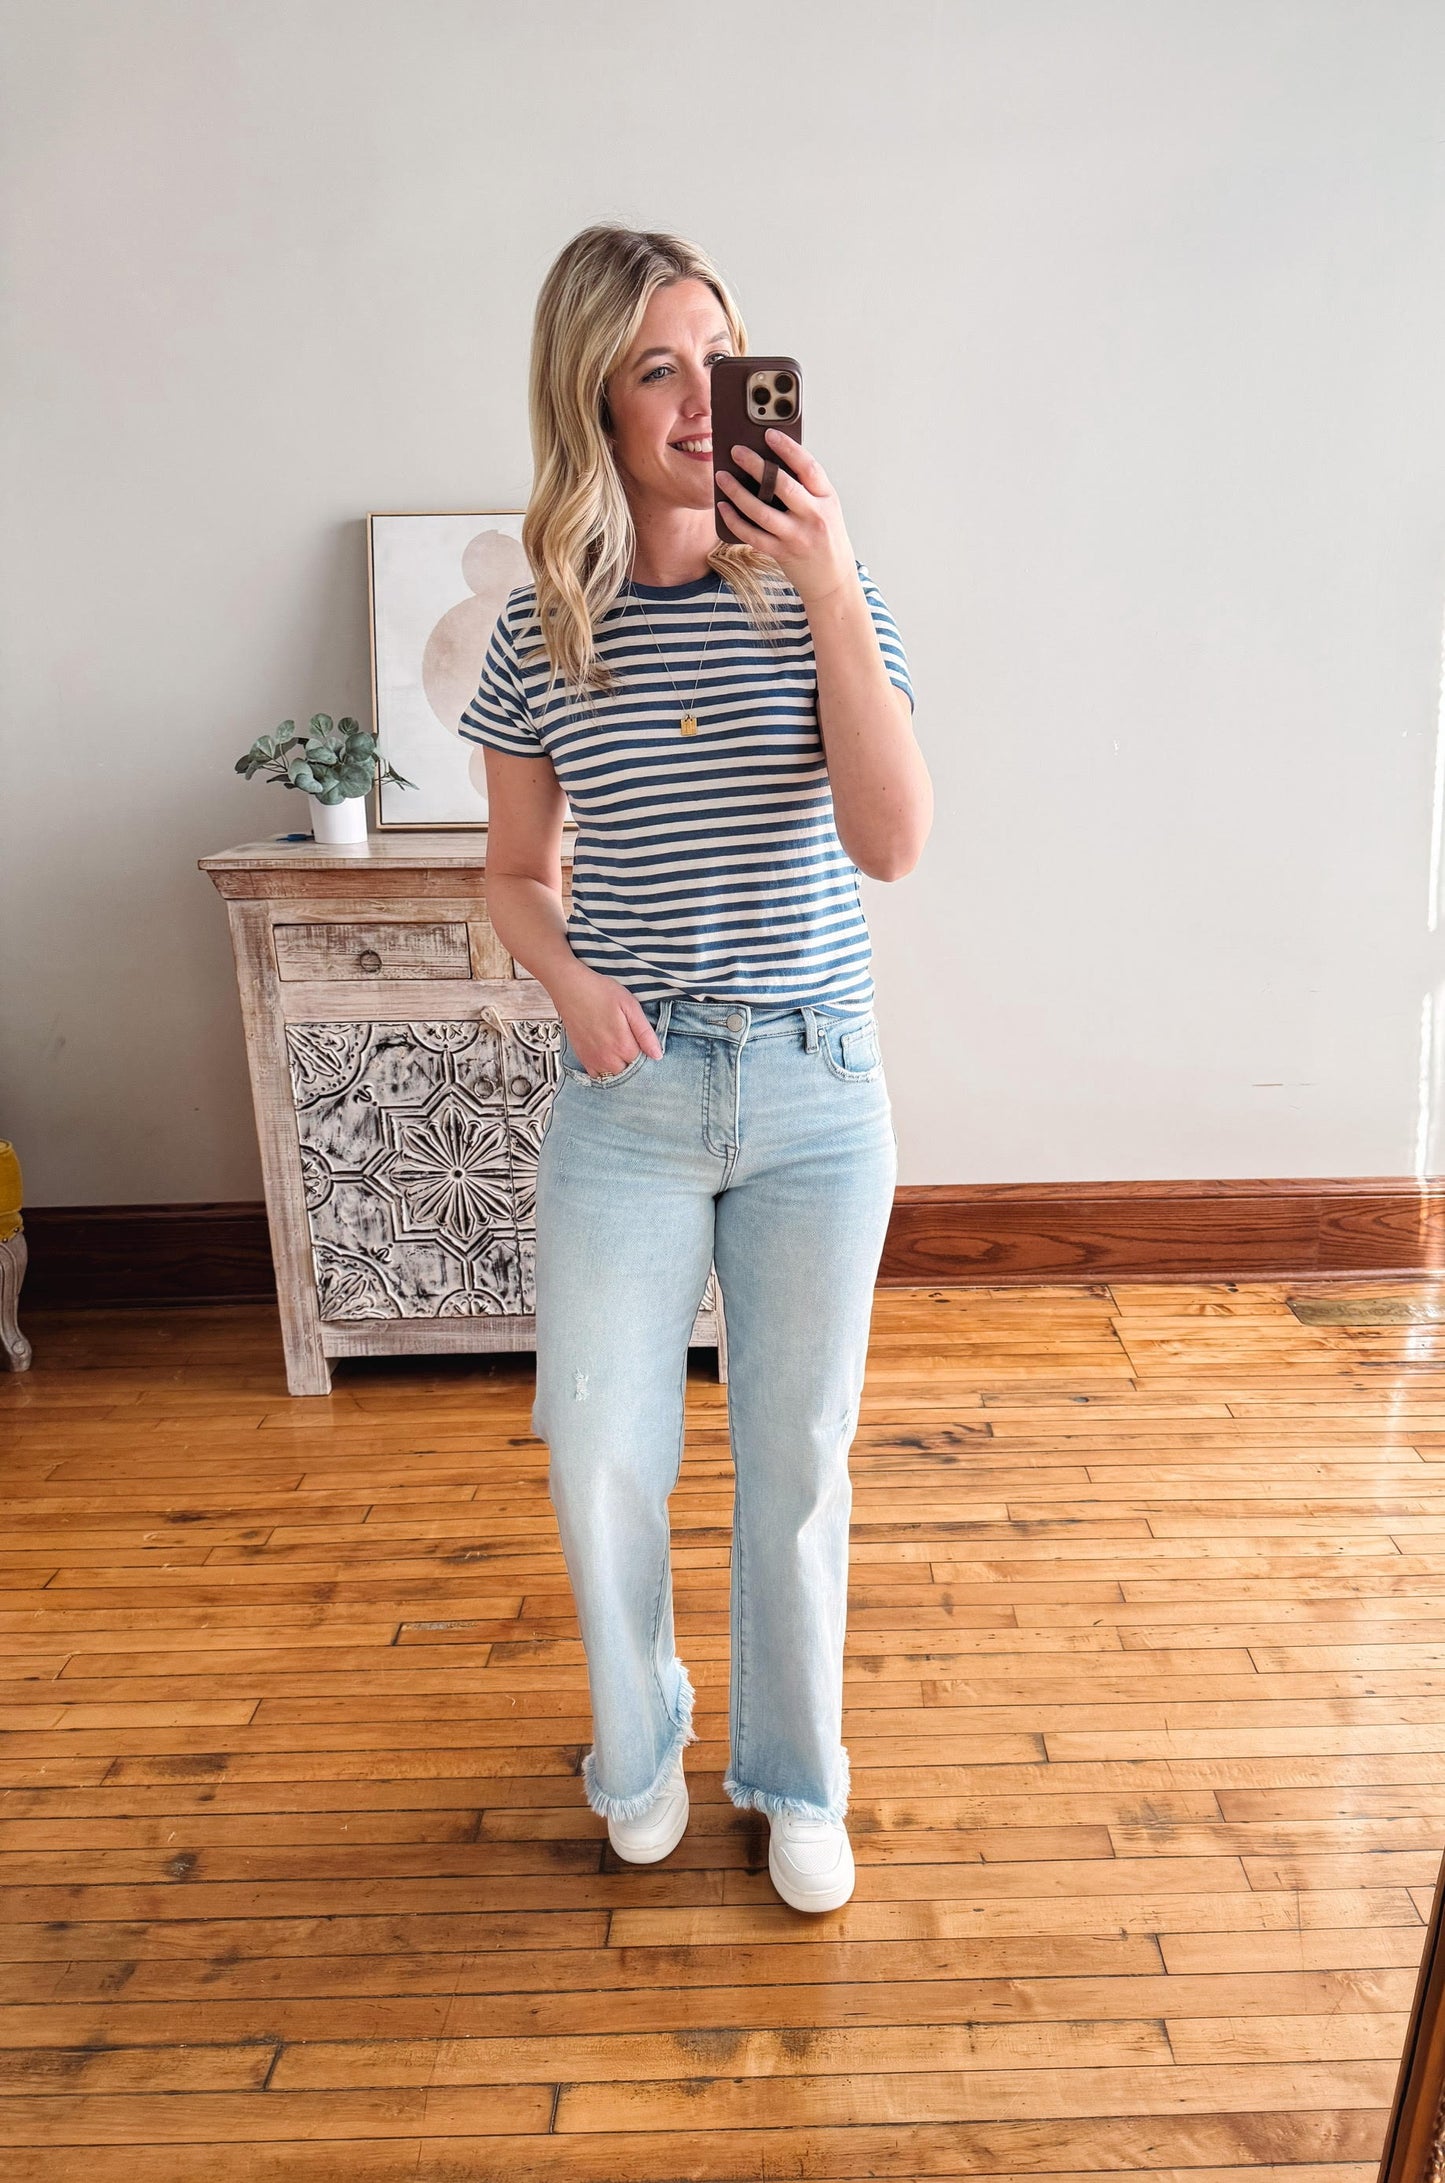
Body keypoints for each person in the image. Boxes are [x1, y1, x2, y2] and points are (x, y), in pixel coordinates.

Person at [461, 224, 931, 1913]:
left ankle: (797, 1779)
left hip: (813, 1083)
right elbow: (512, 873)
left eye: (716, 358)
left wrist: (823, 578)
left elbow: (892, 844)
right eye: (655, 364)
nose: (692, 397)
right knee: (594, 1436)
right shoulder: (544, 632)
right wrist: (571, 983)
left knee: (797, 1455)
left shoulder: (821, 590)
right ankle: (637, 1741)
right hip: (632, 1097)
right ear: (590, 390)